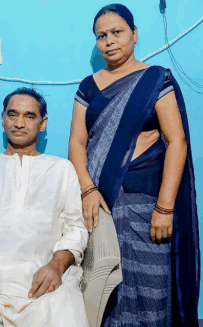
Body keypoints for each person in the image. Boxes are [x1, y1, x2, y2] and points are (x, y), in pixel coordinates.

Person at [69, 3, 200, 327]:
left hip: (148, 205)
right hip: (103, 206)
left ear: (134, 34)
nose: (109, 41)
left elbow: (176, 143)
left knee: (151, 287)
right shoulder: (88, 86)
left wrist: (165, 208)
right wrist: (87, 189)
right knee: (105, 286)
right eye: (101, 36)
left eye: (117, 32)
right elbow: (77, 143)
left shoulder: (155, 80)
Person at [0, 88, 89, 326]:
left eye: (29, 116)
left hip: (43, 281)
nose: (19, 123)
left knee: (62, 314)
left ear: (43, 124)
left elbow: (76, 228)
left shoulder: (61, 169)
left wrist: (56, 266)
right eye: (13, 115)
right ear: (2, 119)